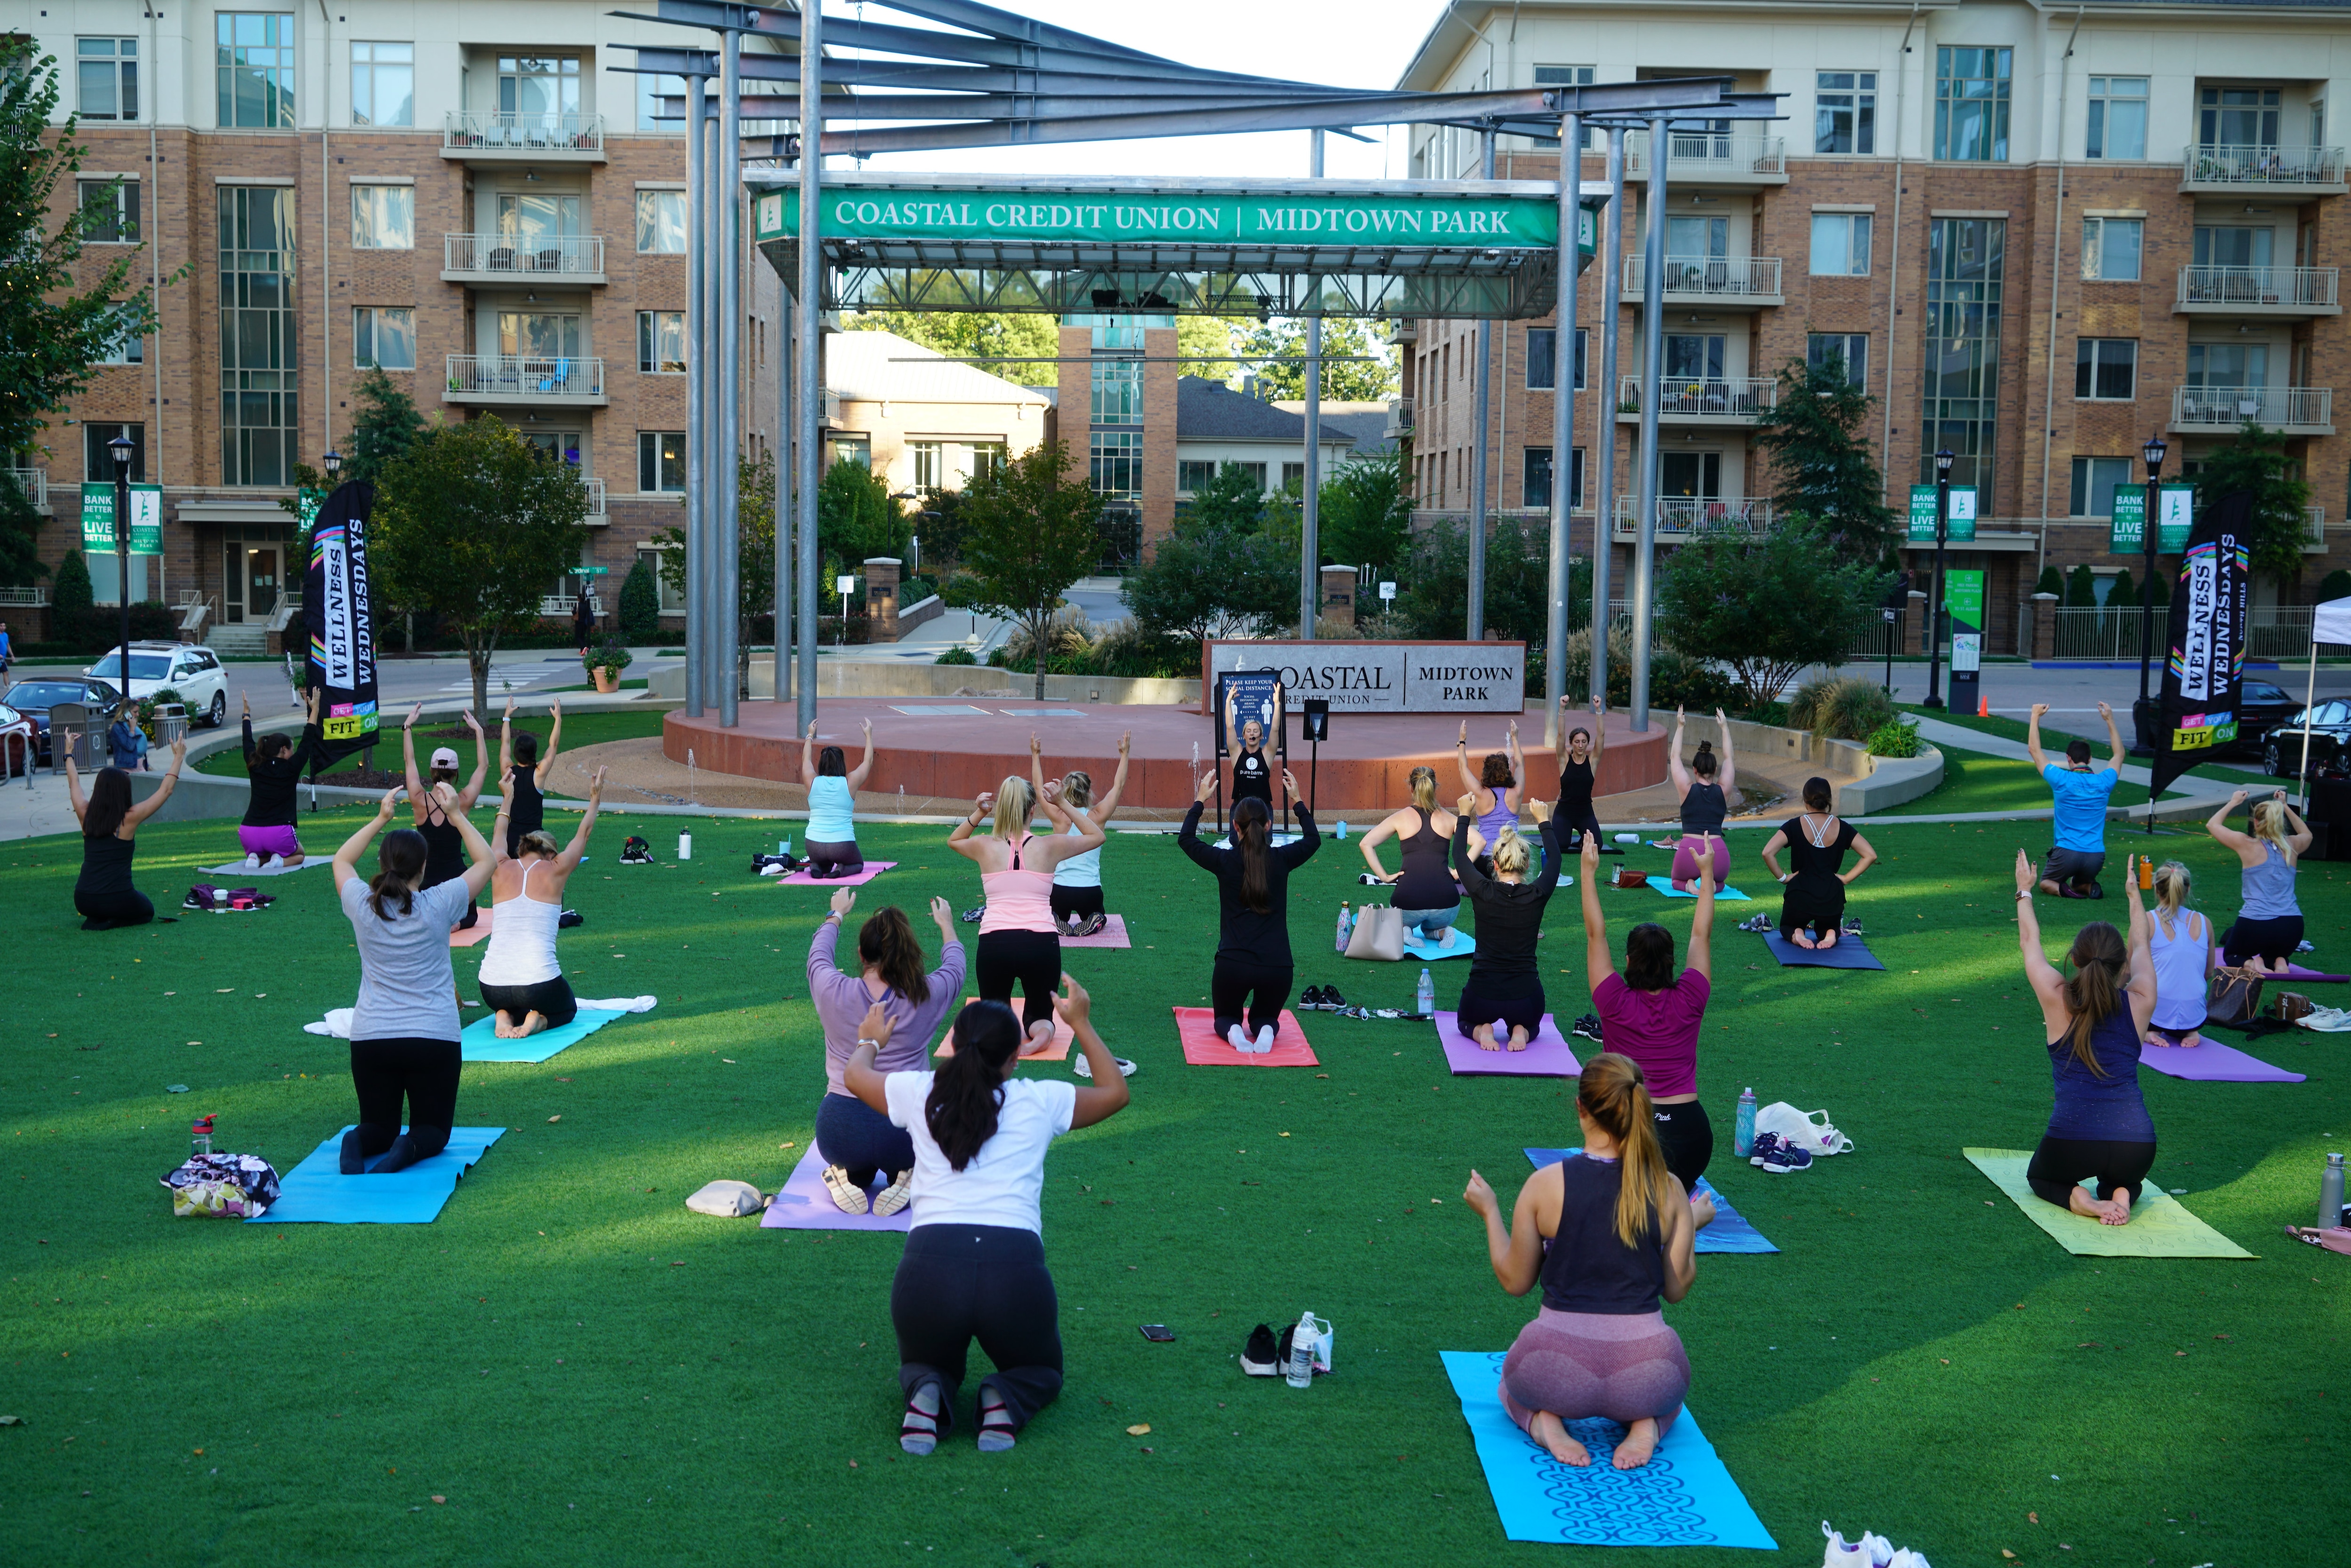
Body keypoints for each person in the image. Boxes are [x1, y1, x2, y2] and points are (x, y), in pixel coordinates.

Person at [842, 977, 1130, 1455]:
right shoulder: (1040, 1099)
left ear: (952, 1045)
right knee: (1039, 1370)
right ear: (1015, 1058)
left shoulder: (919, 1091)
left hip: (927, 1272)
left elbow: (855, 1076)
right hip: (1013, 1275)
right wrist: (1078, 1022)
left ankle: (926, 1390)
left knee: (923, 1361)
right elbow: (1114, 1091)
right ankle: (1004, 1395)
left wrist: (871, 1039)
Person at [1463, 1052, 1696, 1470]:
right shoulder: (1670, 1188)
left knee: (1509, 1387)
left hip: (1552, 1367)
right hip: (1648, 1371)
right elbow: (1676, 1288)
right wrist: (1688, 1224)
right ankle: (1647, 1425)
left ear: (1580, 1108)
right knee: (1672, 1396)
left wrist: (1490, 1211)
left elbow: (1515, 1280)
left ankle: (1545, 1423)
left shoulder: (1544, 1185)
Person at [332, 784, 496, 1174]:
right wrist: (455, 814)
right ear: (423, 868)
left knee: (376, 1127)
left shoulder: (361, 903)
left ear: (382, 862)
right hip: (432, 1038)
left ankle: (355, 1141)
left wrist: (381, 818)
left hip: (372, 1039)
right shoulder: (440, 902)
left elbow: (341, 859)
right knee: (433, 1131)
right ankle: (408, 1147)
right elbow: (487, 861)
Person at [1577, 830, 1718, 1229]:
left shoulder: (1614, 1001)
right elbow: (1701, 934)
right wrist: (1706, 874)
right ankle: (1677, 1208)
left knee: (1623, 1196)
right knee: (1662, 1188)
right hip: (1692, 1140)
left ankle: (1662, 1212)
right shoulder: (1691, 994)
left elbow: (1594, 933)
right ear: (1673, 963)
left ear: (1627, 961)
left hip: (1634, 1134)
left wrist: (1588, 873)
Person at [2011, 848, 2157, 1226]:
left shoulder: (2058, 998)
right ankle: (2122, 1193)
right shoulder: (2141, 1001)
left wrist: (2024, 890)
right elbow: (2143, 944)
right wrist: (2133, 896)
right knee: (2127, 1176)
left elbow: (2030, 942)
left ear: (2075, 959)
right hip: (2137, 1145)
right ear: (2121, 965)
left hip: (2072, 1140)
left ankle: (2088, 1203)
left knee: (2040, 1177)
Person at [810, 888, 966, 1214]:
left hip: (838, 1131)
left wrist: (835, 915)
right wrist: (946, 924)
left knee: (861, 1171)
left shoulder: (831, 989)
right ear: (909, 955)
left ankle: (845, 1172)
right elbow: (956, 966)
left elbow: (818, 956)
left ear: (862, 955)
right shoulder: (925, 995)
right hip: (904, 1132)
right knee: (910, 1153)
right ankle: (907, 1174)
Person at [947, 776, 1104, 1049]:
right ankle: (1038, 1039)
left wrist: (980, 813)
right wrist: (1062, 802)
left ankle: (1005, 1037)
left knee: (996, 1013)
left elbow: (954, 840)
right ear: (1033, 810)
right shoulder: (1050, 846)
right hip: (1041, 944)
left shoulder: (985, 846)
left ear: (1002, 809)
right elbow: (1097, 836)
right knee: (1041, 1016)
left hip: (995, 945)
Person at [1178, 767, 1319, 1053]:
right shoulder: (1281, 860)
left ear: (1236, 827)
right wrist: (1297, 801)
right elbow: (1313, 840)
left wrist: (1200, 801)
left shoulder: (1224, 861)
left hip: (1233, 965)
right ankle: (1266, 1031)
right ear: (1268, 826)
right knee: (1265, 1017)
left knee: (1227, 1018)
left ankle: (1235, 1033)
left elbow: (1187, 839)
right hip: (1278, 967)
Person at [477, 765, 604, 1038]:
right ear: (550, 854)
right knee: (567, 1009)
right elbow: (584, 834)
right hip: (538, 986)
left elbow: (499, 832)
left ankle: (503, 1014)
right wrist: (594, 799)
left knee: (512, 1002)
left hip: (491, 987)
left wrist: (508, 797)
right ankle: (539, 1020)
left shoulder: (499, 865)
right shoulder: (556, 868)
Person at [1454, 793, 1562, 1049]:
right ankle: (1521, 1032)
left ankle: (1483, 1031)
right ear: (1526, 866)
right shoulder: (1536, 895)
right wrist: (1543, 820)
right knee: (1533, 1025)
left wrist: (1464, 815)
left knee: (1464, 1023)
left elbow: (1459, 856)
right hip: (1526, 999)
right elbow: (1556, 860)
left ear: (1494, 865)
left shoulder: (1482, 891)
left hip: (1482, 996)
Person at [65, 738, 184, 930]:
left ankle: (97, 918)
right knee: (147, 911)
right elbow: (166, 791)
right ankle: (113, 920)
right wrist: (179, 757)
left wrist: (69, 753)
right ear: (123, 792)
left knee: (119, 903)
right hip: (116, 898)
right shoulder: (128, 819)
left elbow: (74, 783)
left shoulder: (84, 813)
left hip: (83, 899)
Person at [1031, 729, 1131, 938]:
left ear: (1064, 791)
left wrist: (1035, 754)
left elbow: (1039, 789)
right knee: (1098, 914)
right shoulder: (1097, 816)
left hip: (1060, 890)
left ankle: (1055, 918)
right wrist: (1124, 754)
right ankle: (1095, 918)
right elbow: (1119, 786)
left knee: (1053, 911)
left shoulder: (1058, 816)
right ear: (1088, 791)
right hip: (1090, 890)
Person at [1758, 778, 1879, 948]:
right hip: (1831, 896)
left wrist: (1784, 878)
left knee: (1788, 927)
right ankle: (1830, 934)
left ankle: (1798, 933)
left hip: (1800, 894)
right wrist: (1845, 879)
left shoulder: (1794, 825)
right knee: (1830, 926)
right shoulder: (1843, 827)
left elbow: (1767, 853)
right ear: (1829, 800)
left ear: (1805, 800)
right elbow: (1870, 855)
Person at [402, 703, 490, 930]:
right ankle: (457, 924)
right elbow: (483, 767)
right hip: (456, 879)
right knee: (471, 917)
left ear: (431, 772)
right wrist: (479, 731)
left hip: (426, 881)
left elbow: (409, 762)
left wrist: (407, 728)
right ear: (456, 773)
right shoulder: (463, 800)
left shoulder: (419, 799)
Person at [2209, 788, 2312, 974]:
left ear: (2256, 822)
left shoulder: (2247, 844)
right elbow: (2307, 834)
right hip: (2292, 926)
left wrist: (2234, 802)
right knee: (2277, 953)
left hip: (2256, 923)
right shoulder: (2292, 846)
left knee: (2232, 955)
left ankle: (2252, 964)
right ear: (2280, 822)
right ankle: (2279, 962)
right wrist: (2286, 806)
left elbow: (2213, 825)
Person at [2028, 701, 2124, 898]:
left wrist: (2035, 716)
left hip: (2066, 852)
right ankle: (2088, 888)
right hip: (2096, 856)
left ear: (2068, 759)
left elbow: (2034, 751)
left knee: (2046, 883)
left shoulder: (2062, 779)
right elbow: (2119, 755)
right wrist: (2110, 720)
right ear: (2089, 760)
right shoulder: (2104, 782)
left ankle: (2065, 891)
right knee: (2080, 881)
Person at [1358, 765, 1461, 947]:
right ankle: (1444, 932)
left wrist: (1385, 877)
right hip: (1446, 904)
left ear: (1412, 788)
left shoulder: (1401, 817)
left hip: (1407, 903)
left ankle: (1404, 930)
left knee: (1398, 922)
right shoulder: (1449, 818)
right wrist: (1457, 872)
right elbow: (1480, 842)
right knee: (1430, 929)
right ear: (1435, 787)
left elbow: (1366, 843)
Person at [239, 689, 322, 868]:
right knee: (300, 854)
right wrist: (314, 710)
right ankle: (279, 861)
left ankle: (255, 858)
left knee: (263, 848)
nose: (293, 754)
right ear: (284, 750)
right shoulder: (291, 768)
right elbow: (308, 740)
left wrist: (247, 714)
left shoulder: (255, 764)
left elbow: (247, 741)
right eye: (291, 751)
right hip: (278, 834)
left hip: (248, 833)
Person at [2145, 860, 2214, 1049]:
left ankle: (2150, 1029)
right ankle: (2190, 1030)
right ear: (2188, 889)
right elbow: (2208, 973)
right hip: (2196, 1015)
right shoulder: (2205, 922)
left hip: (2155, 1010)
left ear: (2156, 889)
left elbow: (2129, 970)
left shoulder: (2147, 920)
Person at [1666, 707, 1735, 892]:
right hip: (1717, 855)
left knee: (1675, 881)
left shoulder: (1687, 790)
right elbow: (1729, 758)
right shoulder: (1724, 790)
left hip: (1689, 853)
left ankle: (1688, 886)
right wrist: (1724, 728)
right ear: (1714, 771)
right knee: (1721, 883)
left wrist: (1680, 726)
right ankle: (1713, 885)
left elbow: (1675, 757)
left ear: (1694, 770)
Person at [801, 717, 877, 880]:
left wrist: (810, 735)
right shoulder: (850, 782)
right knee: (858, 864)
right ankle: (841, 870)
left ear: (822, 764)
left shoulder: (812, 781)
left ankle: (815, 866)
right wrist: (869, 736)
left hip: (813, 845)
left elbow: (806, 759)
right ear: (841, 764)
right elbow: (868, 762)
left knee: (824, 862)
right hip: (842, 845)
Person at [496, 696, 564, 858]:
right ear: (534, 753)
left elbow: (505, 742)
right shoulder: (539, 773)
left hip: (511, 839)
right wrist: (558, 719)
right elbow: (553, 745)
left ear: (516, 753)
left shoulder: (508, 771)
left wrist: (507, 717)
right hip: (535, 841)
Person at [1457, 718, 1526, 867]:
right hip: (1512, 859)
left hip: (1486, 860)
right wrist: (1515, 738)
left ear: (1486, 773)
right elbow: (1520, 763)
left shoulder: (1481, 794)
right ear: (1507, 771)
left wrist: (1462, 741)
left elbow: (1463, 767)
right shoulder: (1517, 792)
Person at [1554, 694, 1611, 853]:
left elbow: (1601, 736)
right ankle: (1561, 832)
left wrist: (1599, 710)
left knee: (1597, 845)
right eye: (1577, 742)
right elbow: (1560, 735)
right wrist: (1562, 709)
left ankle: (1582, 838)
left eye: (1584, 742)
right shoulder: (1564, 760)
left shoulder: (1592, 761)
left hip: (1585, 811)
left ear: (1588, 743)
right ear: (1571, 743)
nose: (1581, 745)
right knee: (1561, 845)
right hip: (1564, 811)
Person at [1223, 683, 1279, 812]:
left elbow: (1275, 729)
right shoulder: (1237, 753)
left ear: (1261, 736)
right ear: (1243, 735)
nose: (1252, 733)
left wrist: (1277, 704)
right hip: (1240, 807)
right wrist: (1228, 702)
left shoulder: (1267, 754)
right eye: (1249, 731)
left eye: (1255, 731)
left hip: (1262, 808)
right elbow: (1230, 726)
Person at [105, 702, 150, 772]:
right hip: (127, 767)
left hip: (137, 764)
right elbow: (129, 746)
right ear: (126, 713)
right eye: (135, 712)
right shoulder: (118, 727)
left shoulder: (129, 724)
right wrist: (132, 730)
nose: (138, 714)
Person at [573, 590, 596, 658]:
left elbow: (574, 612)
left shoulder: (578, 605)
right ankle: (582, 650)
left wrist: (573, 611)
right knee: (582, 636)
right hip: (585, 623)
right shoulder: (587, 605)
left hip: (579, 623)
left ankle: (584, 647)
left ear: (579, 599)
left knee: (578, 637)